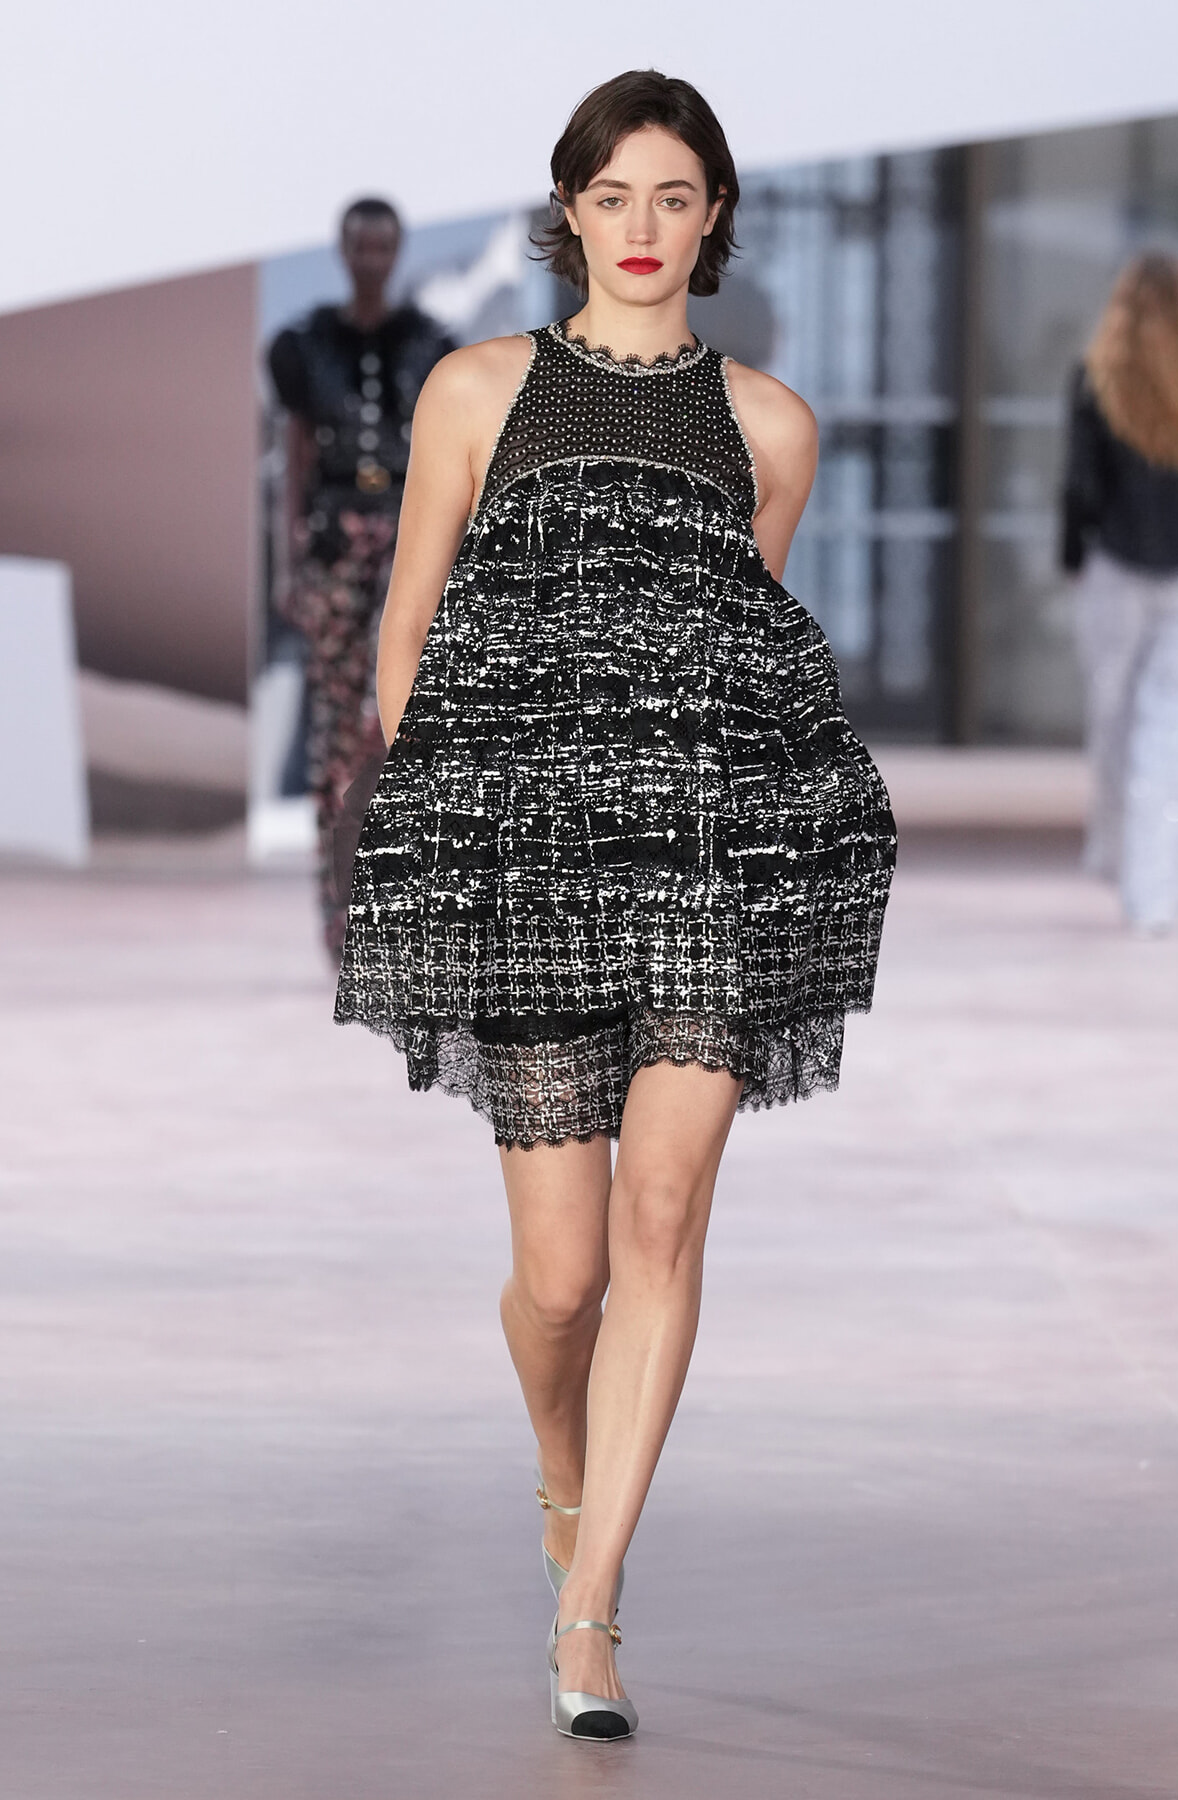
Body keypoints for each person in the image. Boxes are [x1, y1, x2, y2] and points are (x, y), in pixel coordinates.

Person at [336, 72, 896, 1740]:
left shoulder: (773, 427)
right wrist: (421, 809)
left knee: (664, 1212)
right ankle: (562, 1478)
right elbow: (410, 615)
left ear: (714, 212)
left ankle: (591, 1614)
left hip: (709, 861)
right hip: (521, 861)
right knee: (563, 1279)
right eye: (613, 196)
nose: (643, 229)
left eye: (675, 196)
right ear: (567, 210)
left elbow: (749, 638)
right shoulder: (477, 390)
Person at [267, 198, 455, 964]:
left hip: (411, 544)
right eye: (360, 246)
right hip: (337, 548)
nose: (372, 259)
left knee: (413, 726)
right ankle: (341, 913)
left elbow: (453, 466)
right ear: (344, 251)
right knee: (336, 736)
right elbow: (297, 461)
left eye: (384, 246)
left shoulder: (433, 347)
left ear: (398, 249)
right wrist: (290, 566)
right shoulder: (307, 347)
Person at [1062, 252, 1178, 934]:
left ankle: (1127, 859)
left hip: (1116, 569)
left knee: (1116, 721)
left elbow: (1080, 485)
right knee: (1174, 734)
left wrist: (1071, 558)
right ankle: (1158, 883)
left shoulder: (1096, 378)